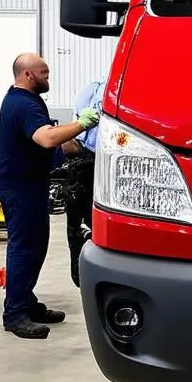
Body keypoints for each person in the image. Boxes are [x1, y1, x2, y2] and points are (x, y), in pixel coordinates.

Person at [0, 54, 100, 340]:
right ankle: (15, 314)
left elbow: (50, 143)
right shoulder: (23, 103)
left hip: (29, 181)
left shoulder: (23, 100)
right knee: (25, 247)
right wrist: (83, 123)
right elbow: (46, 138)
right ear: (29, 74)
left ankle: (26, 302)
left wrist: (80, 145)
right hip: (20, 185)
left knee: (36, 245)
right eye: (45, 73)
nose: (48, 78)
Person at [61, 79, 104, 287]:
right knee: (81, 230)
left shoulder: (96, 89)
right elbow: (69, 143)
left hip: (99, 164)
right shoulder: (93, 90)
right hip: (86, 167)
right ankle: (82, 279)